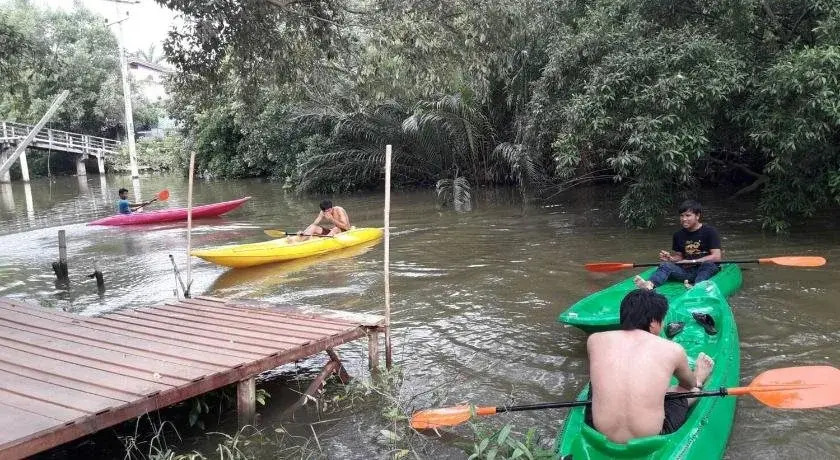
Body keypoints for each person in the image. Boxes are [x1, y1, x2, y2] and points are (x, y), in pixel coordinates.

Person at [585, 289, 714, 443]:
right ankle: (700, 378)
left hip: (600, 428)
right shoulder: (673, 349)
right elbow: (687, 385)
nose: (664, 324)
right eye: (662, 319)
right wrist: (697, 379)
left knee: (598, 380)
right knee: (693, 390)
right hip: (651, 435)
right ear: (653, 323)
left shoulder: (595, 340)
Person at [634, 200, 721, 290]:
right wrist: (671, 259)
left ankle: (696, 287)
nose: (684, 219)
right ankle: (649, 284)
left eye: (688, 215)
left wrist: (692, 261)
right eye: (682, 216)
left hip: (706, 269)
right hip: (687, 271)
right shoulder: (678, 235)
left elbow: (716, 257)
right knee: (665, 265)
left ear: (697, 216)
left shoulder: (710, 232)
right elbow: (680, 257)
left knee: (708, 265)